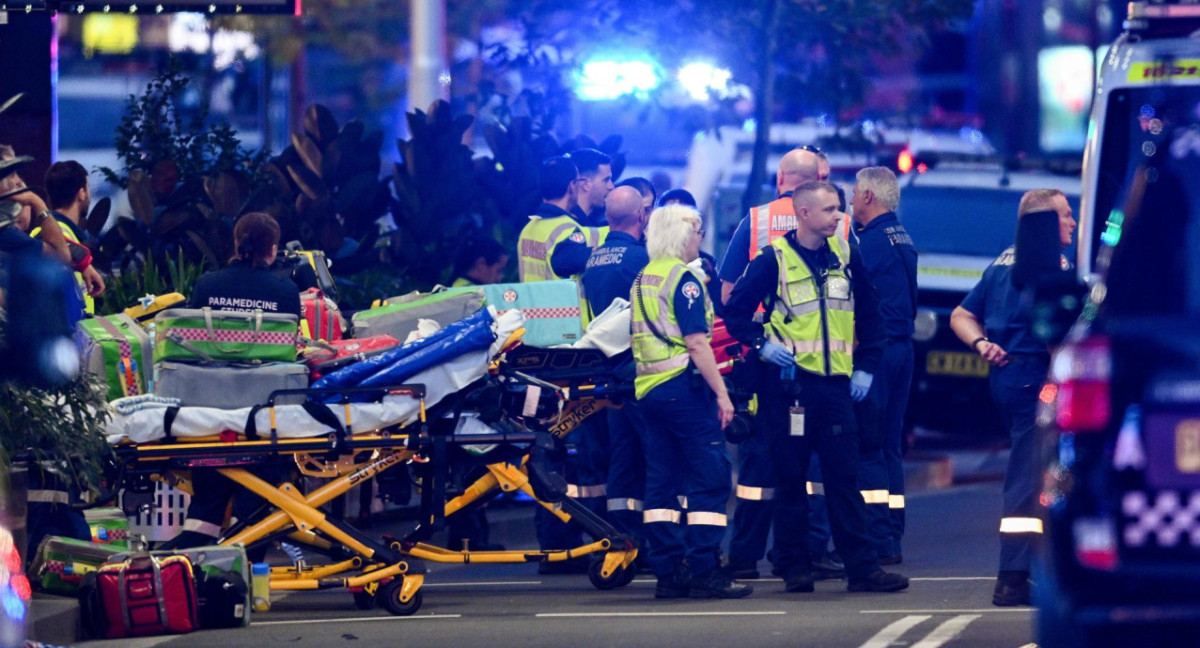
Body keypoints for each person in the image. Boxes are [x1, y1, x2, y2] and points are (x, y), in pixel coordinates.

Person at [724, 181, 908, 594]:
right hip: (789, 391)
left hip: (837, 389)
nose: (837, 217)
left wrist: (867, 367)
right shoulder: (773, 259)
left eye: (839, 209)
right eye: (828, 210)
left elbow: (872, 317)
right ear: (803, 213)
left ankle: (862, 570)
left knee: (844, 479)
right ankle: (794, 567)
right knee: (789, 478)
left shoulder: (845, 254)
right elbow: (734, 311)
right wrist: (761, 345)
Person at [949, 188, 1075, 607]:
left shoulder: (1001, 262)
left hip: (1005, 377)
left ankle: (1030, 570)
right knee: (1025, 480)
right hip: (1032, 377)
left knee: (1032, 474)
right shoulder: (1046, 266)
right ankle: (1012, 578)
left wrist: (982, 343)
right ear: (1042, 223)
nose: (1072, 223)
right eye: (1065, 216)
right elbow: (1054, 334)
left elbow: (961, 315)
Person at [632, 204, 751, 600]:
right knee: (711, 477)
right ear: (683, 236)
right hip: (684, 390)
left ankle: (668, 572)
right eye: (697, 232)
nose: (701, 239)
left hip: (649, 392)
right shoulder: (684, 280)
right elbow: (697, 342)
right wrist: (721, 394)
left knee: (662, 484)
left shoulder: (643, 277)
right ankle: (704, 568)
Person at [168, 212, 302, 555]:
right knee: (260, 490)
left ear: (236, 241)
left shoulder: (208, 285)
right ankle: (250, 546)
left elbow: (196, 348)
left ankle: (198, 549)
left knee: (208, 497)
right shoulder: (286, 292)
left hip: (211, 413)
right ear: (273, 249)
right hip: (265, 414)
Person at [850, 167, 917, 564]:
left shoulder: (869, 243)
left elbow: (859, 303)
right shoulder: (903, 238)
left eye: (856, 194)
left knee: (869, 445)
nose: (852, 200)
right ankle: (892, 532)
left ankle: (877, 539)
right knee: (890, 445)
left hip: (877, 352)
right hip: (902, 350)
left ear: (870, 197)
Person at [581, 186, 650, 541]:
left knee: (622, 459)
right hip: (640, 369)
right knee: (654, 456)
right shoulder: (641, 259)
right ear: (641, 216)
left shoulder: (593, 259)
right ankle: (655, 541)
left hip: (608, 374)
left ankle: (623, 536)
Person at [517, 156, 599, 283]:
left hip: (531, 303)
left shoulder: (528, 229)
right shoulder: (569, 230)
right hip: (564, 303)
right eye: (578, 181)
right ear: (572, 185)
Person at [44, 160, 106, 313]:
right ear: (81, 193)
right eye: (88, 188)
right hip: (64, 332)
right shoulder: (55, 232)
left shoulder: (64, 231)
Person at [567, 148, 615, 227]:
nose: (611, 186)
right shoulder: (569, 227)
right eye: (606, 180)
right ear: (585, 184)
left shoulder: (592, 224)